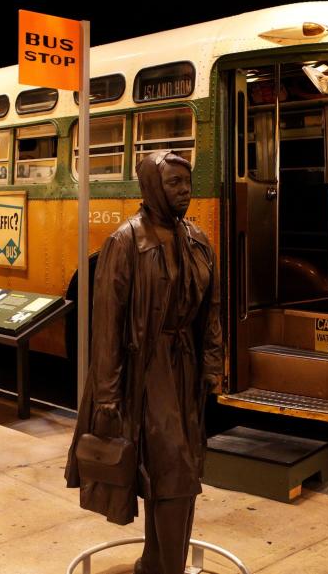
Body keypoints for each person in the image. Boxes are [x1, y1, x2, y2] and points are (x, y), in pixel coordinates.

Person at [65, 151, 223, 574]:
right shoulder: (126, 242)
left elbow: (212, 310)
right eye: (174, 183)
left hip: (184, 366)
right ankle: (166, 568)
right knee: (175, 471)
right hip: (147, 369)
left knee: (176, 468)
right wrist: (107, 392)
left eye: (187, 182)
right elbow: (107, 326)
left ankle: (155, 561)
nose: (184, 190)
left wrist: (212, 364)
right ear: (152, 185)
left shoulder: (197, 239)